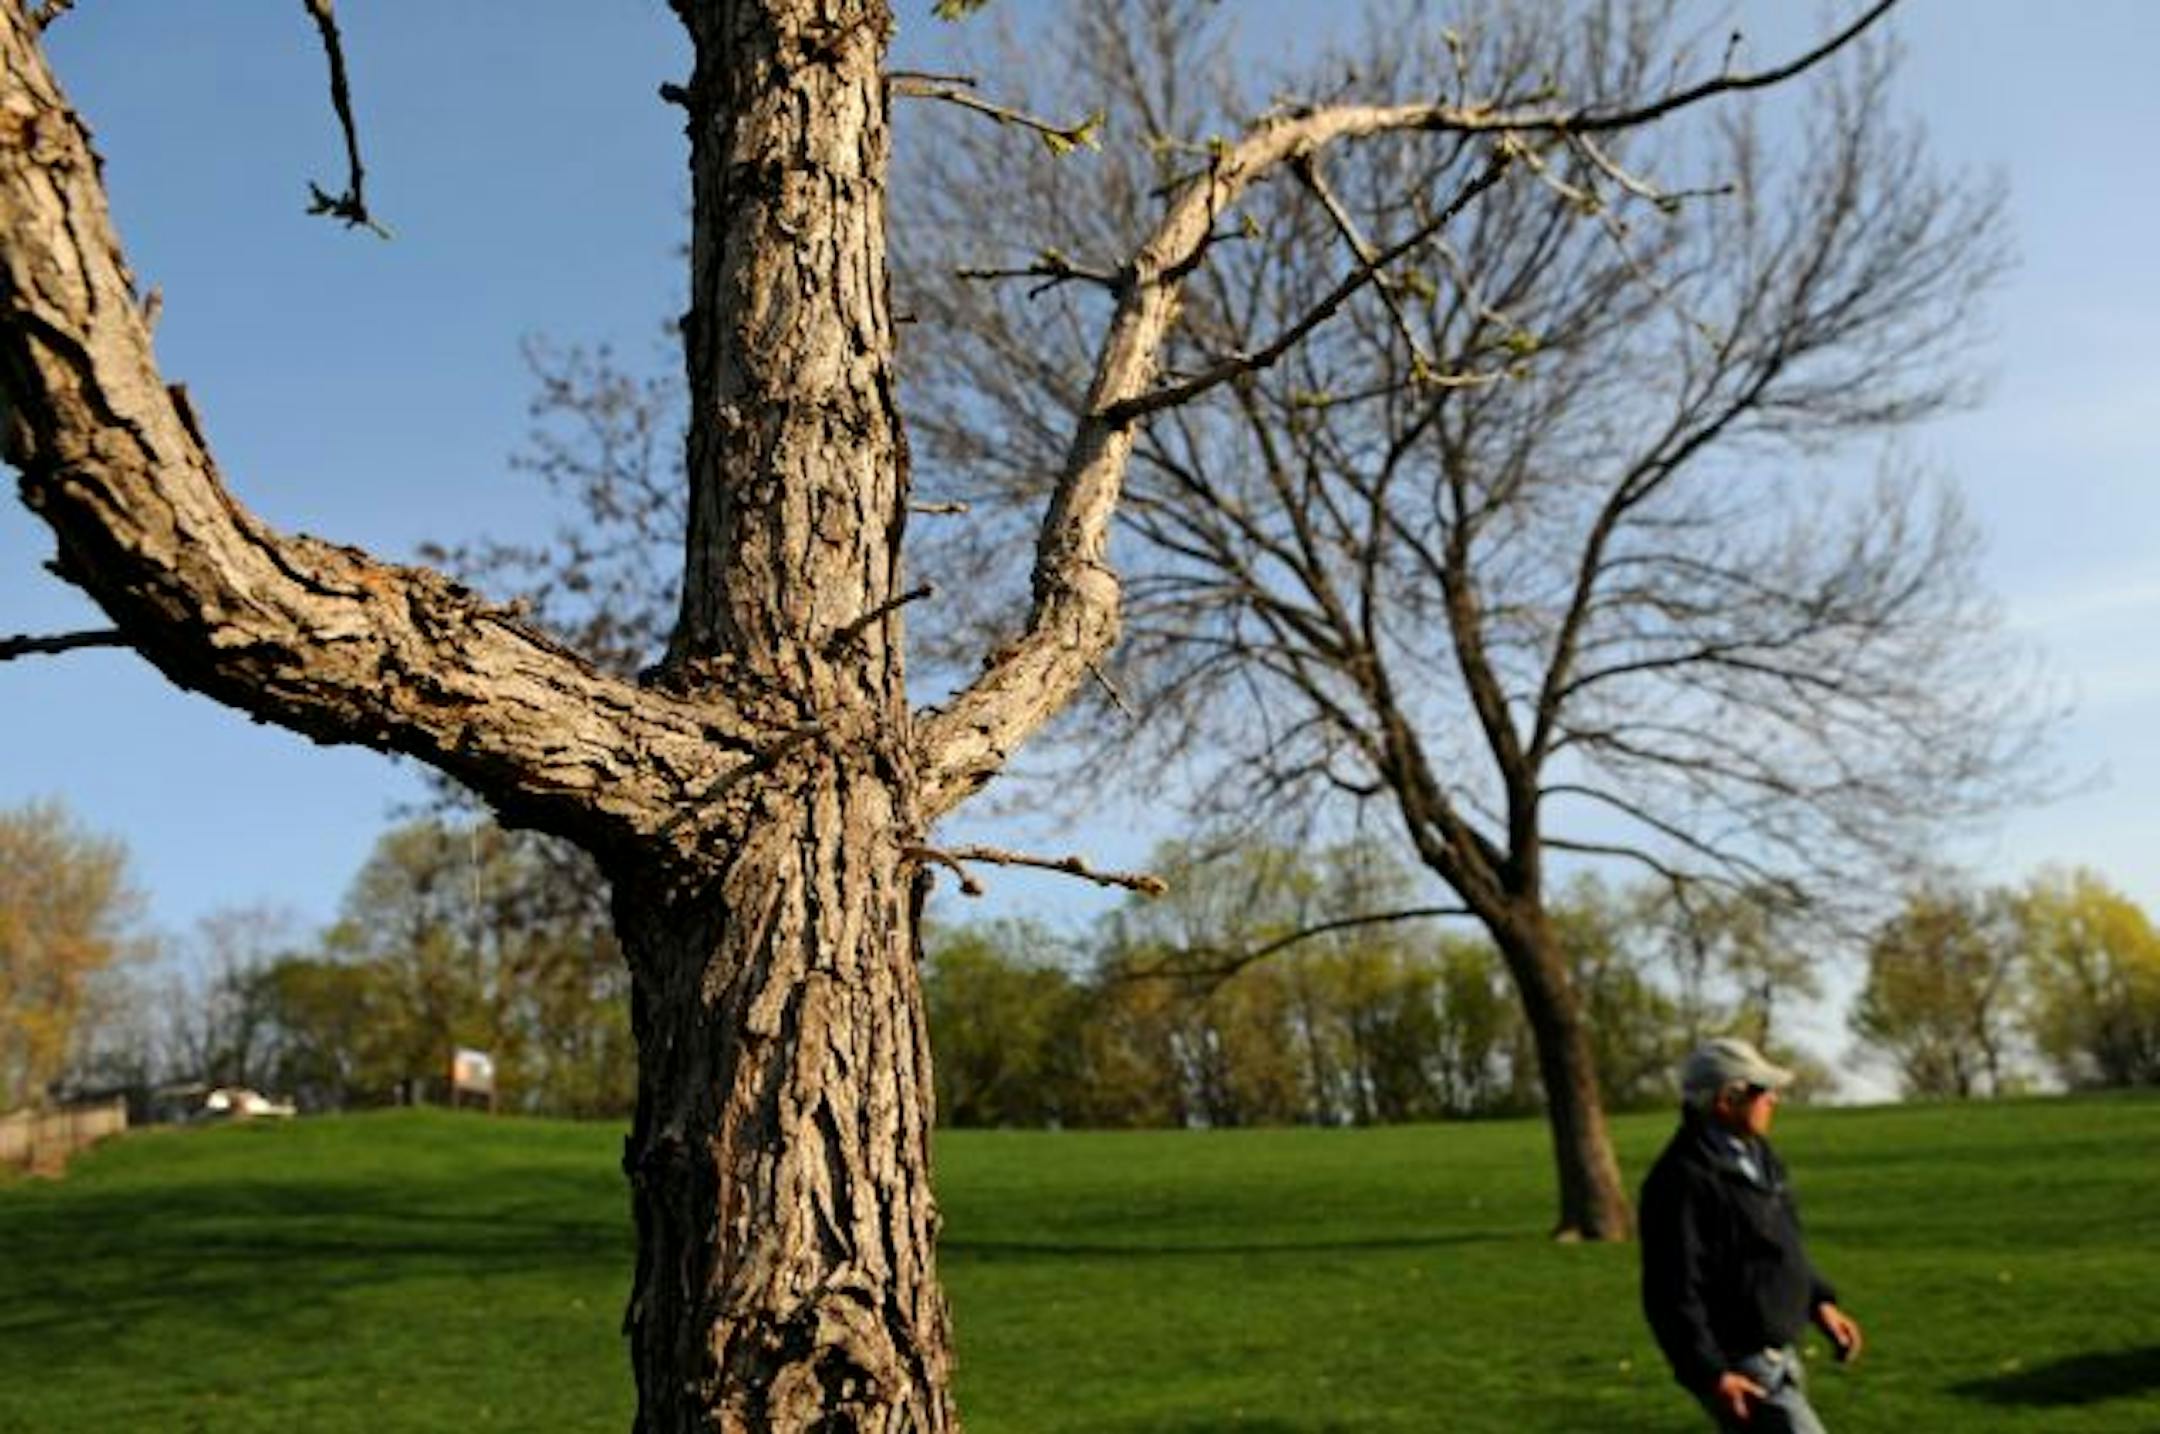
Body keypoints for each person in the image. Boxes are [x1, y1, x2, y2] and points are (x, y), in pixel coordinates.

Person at [1639, 1037, 1864, 1432]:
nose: (1774, 1100)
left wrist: (1820, 1303)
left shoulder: (1759, 1158)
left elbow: (1778, 1246)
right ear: (1727, 1100)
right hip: (1742, 1366)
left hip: (1781, 1356)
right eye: (1764, 1091)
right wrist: (1711, 1375)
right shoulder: (1681, 1181)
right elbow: (1671, 1291)